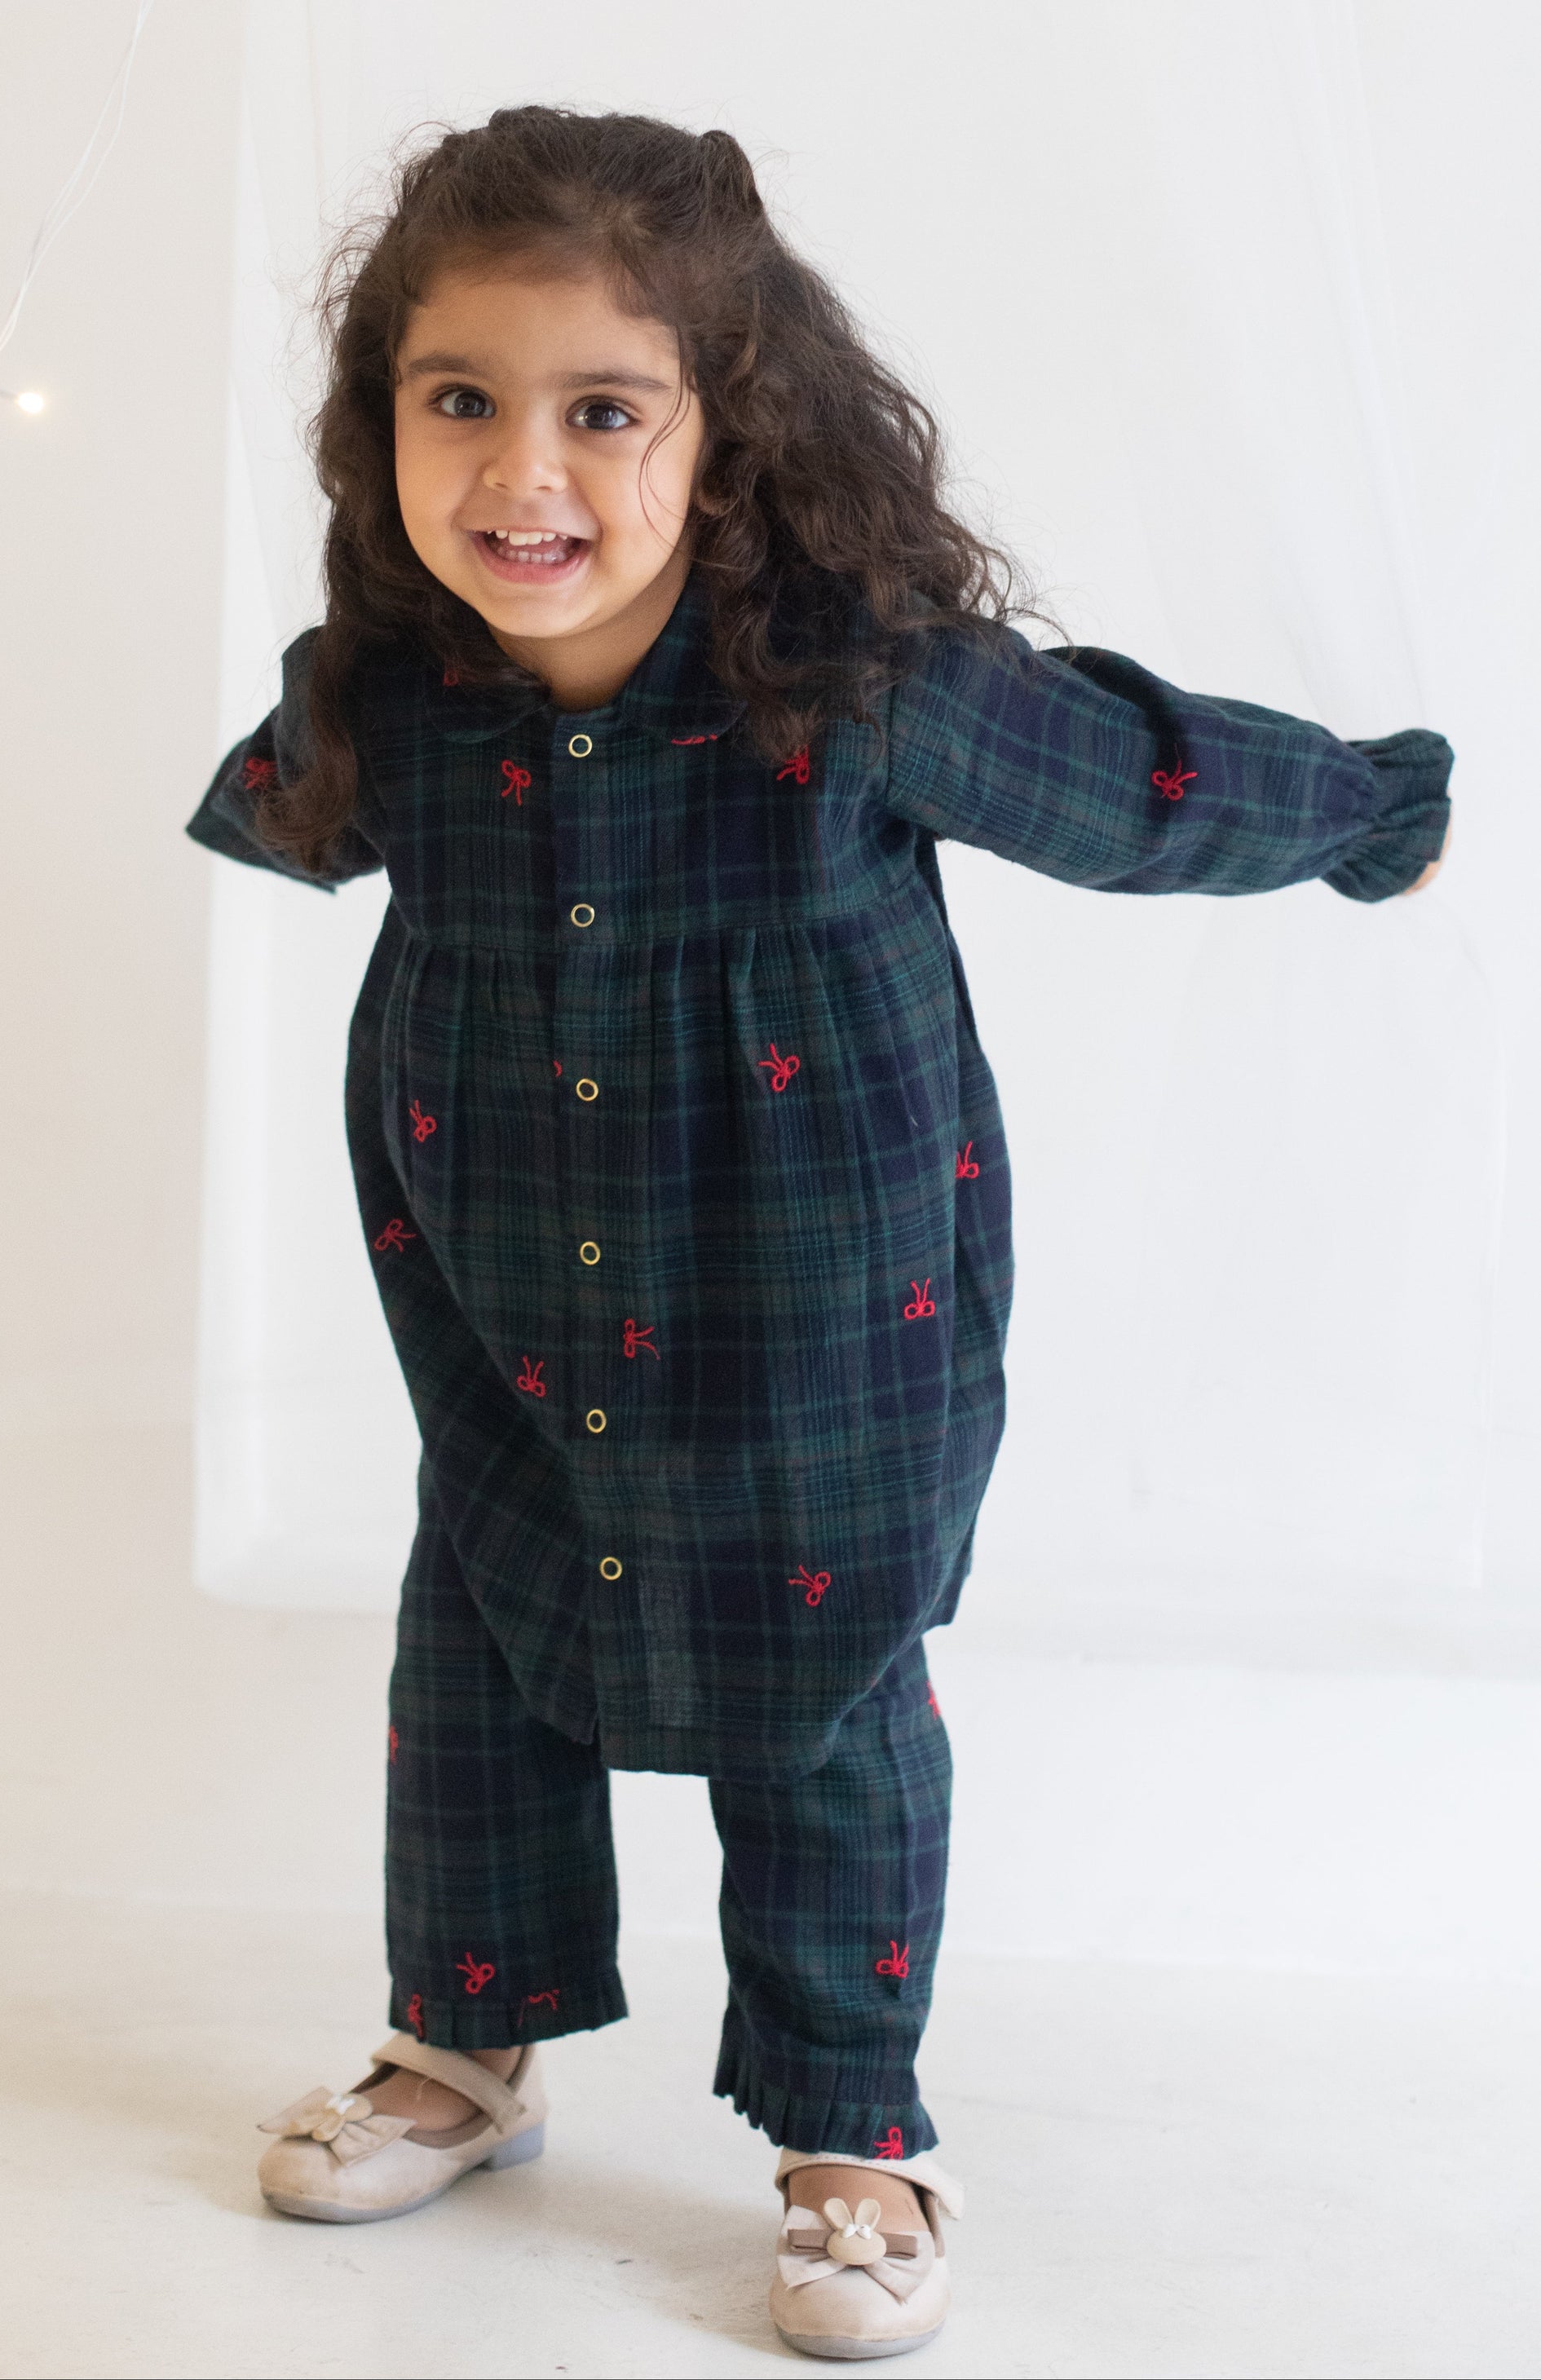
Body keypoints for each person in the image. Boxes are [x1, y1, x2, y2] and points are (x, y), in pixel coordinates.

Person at [188, 105, 1450, 2361]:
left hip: (817, 1306)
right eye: (455, 402)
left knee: (825, 1690)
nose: (520, 474)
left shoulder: (849, 684)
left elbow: (1133, 780)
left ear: (726, 429)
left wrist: (1365, 811)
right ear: (380, 419)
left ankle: (850, 2136)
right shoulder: (394, 695)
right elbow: (286, 807)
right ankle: (461, 2045)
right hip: (498, 1289)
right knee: (476, 1640)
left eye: (602, 411)